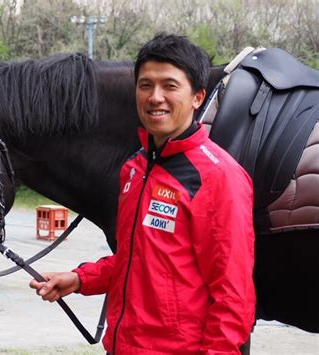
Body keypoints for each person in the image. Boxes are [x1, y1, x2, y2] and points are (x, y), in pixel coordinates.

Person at [30, 33, 256, 354]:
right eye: (145, 85)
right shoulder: (134, 168)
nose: (155, 97)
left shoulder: (220, 177)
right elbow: (138, 258)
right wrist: (81, 279)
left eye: (170, 86)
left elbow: (233, 294)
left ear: (197, 97)